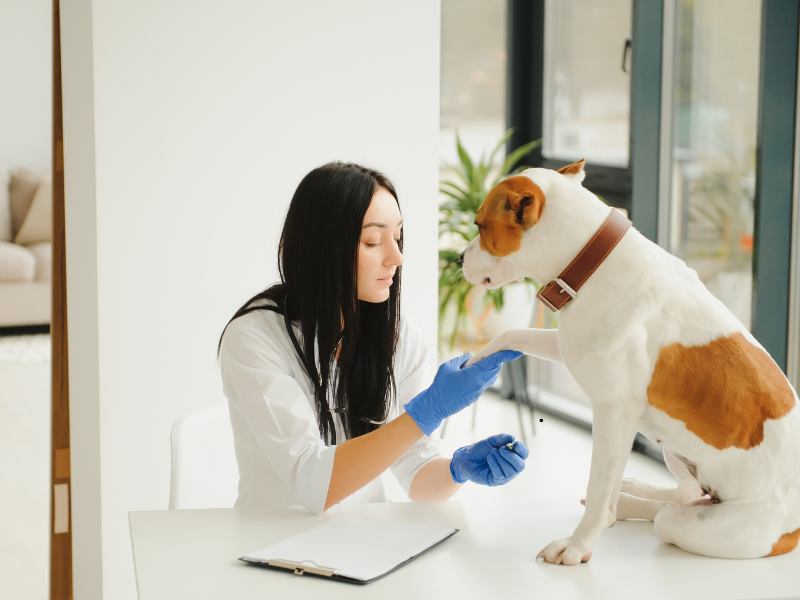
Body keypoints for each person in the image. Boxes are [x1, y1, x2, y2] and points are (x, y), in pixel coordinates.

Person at [218, 162, 528, 515]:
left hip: (361, 545)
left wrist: (458, 469)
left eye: (397, 237)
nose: (397, 257)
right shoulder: (254, 338)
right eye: (372, 241)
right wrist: (428, 410)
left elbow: (417, 473)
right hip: (271, 549)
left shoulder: (399, 334)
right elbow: (311, 482)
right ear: (322, 248)